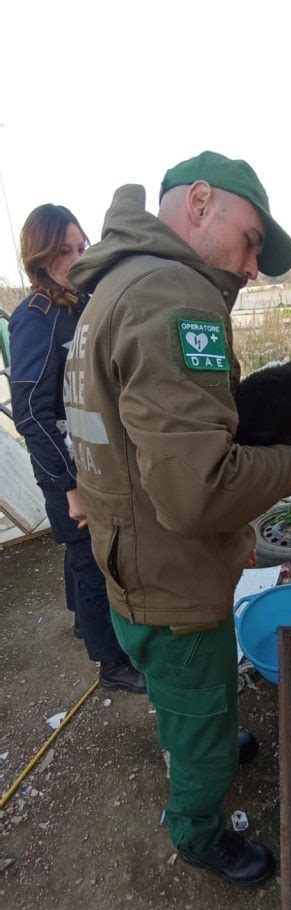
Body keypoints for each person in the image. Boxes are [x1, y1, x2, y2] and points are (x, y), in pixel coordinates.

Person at [64, 152, 291, 886]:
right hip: (174, 584)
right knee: (202, 723)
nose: (252, 268)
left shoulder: (114, 283)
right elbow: (197, 493)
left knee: (187, 702)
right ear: (201, 203)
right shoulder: (172, 295)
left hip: (128, 560)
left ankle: (196, 730)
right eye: (250, 242)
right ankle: (200, 834)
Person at [8, 204, 146, 694]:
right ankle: (112, 663)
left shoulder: (80, 304)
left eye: (81, 247)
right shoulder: (36, 319)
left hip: (91, 460)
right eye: (63, 251)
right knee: (92, 560)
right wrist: (68, 488)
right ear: (40, 259)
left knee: (77, 552)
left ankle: (81, 620)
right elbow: (30, 413)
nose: (76, 257)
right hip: (69, 468)